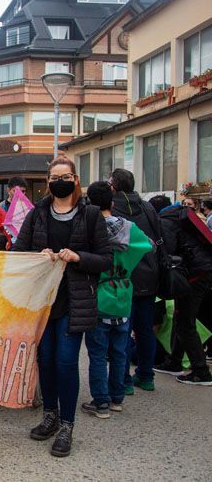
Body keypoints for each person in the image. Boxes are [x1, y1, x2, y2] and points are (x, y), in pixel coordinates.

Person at [13, 157, 111, 457]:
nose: (60, 182)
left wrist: (78, 257)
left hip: (74, 300)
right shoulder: (37, 213)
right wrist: (37, 256)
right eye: (55, 177)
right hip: (43, 302)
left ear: (75, 180)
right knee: (46, 360)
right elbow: (18, 252)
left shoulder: (91, 214)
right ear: (48, 181)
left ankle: (67, 425)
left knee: (66, 362)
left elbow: (106, 260)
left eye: (65, 177)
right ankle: (50, 416)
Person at [81, 182, 152, 419]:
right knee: (120, 351)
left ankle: (101, 401)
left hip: (99, 294)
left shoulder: (89, 228)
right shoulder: (128, 227)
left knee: (98, 353)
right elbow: (149, 245)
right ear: (112, 203)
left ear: (89, 203)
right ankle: (117, 398)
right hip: (122, 293)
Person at [107, 168, 162, 393]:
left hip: (123, 274)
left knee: (122, 329)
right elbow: (159, 237)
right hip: (149, 273)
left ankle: (124, 380)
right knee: (145, 329)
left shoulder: (112, 208)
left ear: (113, 186)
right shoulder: (147, 207)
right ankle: (146, 376)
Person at [154, 202, 212, 385]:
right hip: (202, 270)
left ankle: (201, 371)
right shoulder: (178, 216)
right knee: (182, 319)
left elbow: (169, 252)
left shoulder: (165, 222)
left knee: (185, 323)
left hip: (195, 274)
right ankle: (174, 361)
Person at [0, 177, 28, 243]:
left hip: (23, 247)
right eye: (16, 191)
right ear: (8, 190)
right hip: (3, 247)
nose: (20, 194)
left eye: (23, 191)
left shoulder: (29, 210)